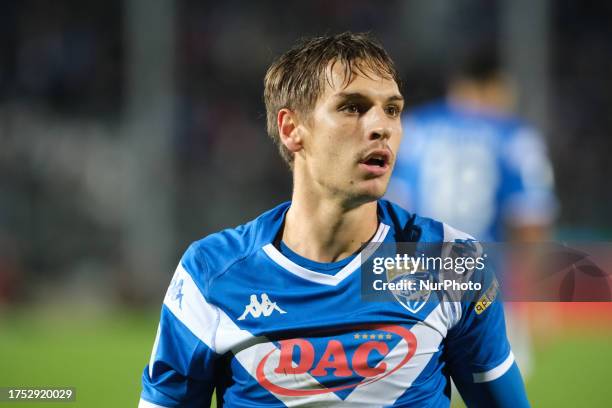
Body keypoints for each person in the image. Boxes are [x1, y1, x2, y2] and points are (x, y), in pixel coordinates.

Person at [139, 33, 530, 408]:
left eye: (392, 109)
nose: (381, 127)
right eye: (352, 107)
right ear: (292, 129)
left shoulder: (450, 264)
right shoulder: (211, 275)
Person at [386, 45, 558, 376]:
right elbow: (531, 220)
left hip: (416, 281)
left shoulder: (415, 129)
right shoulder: (513, 135)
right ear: (494, 85)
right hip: (484, 281)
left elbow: (390, 209)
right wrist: (540, 295)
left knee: (418, 388)